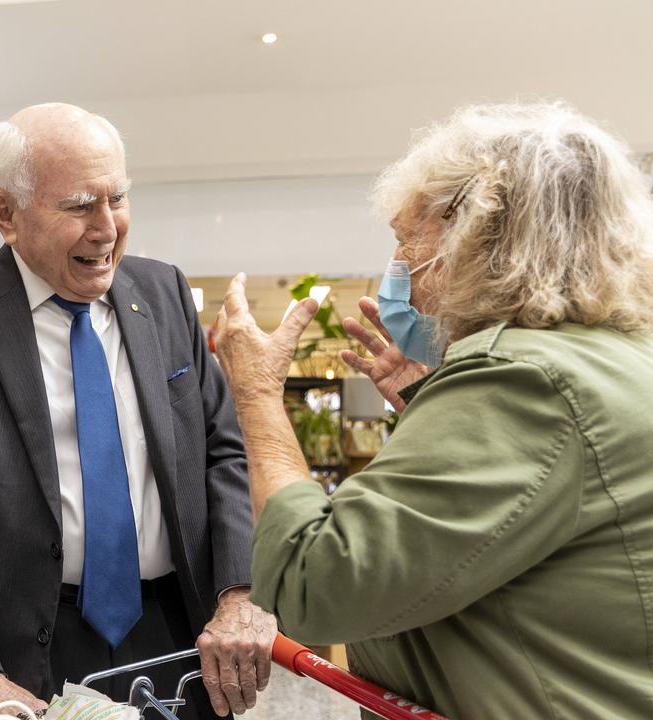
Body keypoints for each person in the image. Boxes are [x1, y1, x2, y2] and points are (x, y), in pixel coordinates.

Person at [212, 102, 653, 717]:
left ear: (480, 237)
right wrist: (432, 405)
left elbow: (316, 582)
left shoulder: (523, 378)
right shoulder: (615, 356)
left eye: (405, 240)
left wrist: (257, 395)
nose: (395, 271)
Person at [0, 103, 274, 720]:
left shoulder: (163, 292)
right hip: (12, 658)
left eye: (118, 198)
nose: (107, 228)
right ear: (5, 212)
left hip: (172, 638)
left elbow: (222, 453)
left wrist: (238, 593)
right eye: (80, 205)